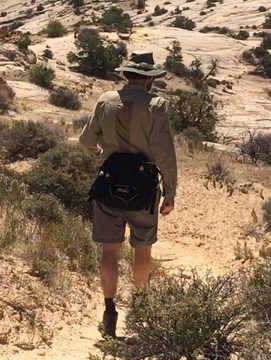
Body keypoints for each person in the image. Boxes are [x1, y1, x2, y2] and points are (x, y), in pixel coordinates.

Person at [79, 50, 178, 338]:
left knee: (109, 251)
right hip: (143, 189)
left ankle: (109, 313)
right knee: (142, 250)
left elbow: (86, 141)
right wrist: (170, 191)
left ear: (126, 75)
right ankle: (141, 311)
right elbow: (164, 152)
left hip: (108, 185)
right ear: (149, 80)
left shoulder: (106, 100)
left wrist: (104, 160)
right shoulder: (156, 105)